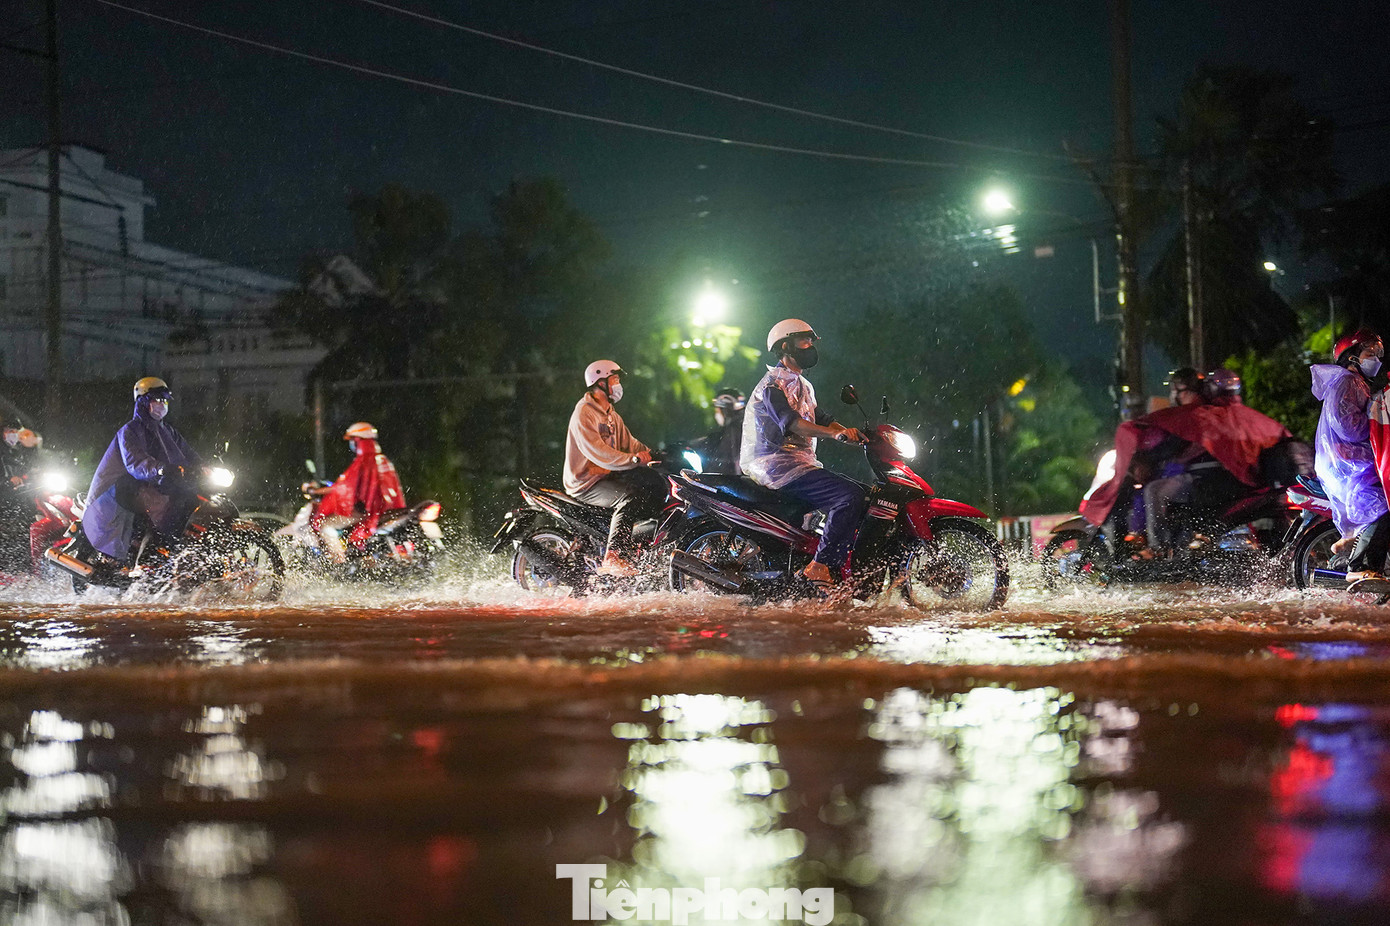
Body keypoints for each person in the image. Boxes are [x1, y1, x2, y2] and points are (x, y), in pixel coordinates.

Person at [741, 319, 866, 589]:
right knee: (848, 496)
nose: (810, 346)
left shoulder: (803, 385)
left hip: (798, 463)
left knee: (867, 496)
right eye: (804, 341)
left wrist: (853, 435)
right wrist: (834, 435)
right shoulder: (772, 386)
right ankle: (819, 567)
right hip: (776, 465)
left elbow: (822, 418)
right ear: (786, 346)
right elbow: (793, 423)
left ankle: (846, 571)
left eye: (811, 341)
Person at [81, 377, 205, 567]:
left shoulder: (168, 432)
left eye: (164, 400)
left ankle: (177, 554)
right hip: (122, 489)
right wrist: (161, 468)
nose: (162, 404)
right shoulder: (130, 430)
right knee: (164, 511)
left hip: (151, 485)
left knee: (189, 501)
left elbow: (189, 455)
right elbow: (136, 462)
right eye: (157, 399)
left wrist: (205, 468)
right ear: (143, 401)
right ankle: (147, 563)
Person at [563, 359, 667, 577]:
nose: (618, 385)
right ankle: (613, 556)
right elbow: (599, 453)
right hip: (586, 482)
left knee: (654, 486)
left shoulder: (611, 415)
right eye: (615, 379)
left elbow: (631, 444)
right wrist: (633, 460)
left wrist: (656, 455)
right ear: (600, 382)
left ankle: (640, 551)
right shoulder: (584, 413)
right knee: (629, 496)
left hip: (607, 476)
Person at [1313, 329, 1390, 582]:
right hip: (1348, 464)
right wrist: (1376, 422)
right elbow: (1348, 426)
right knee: (1383, 507)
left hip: (1356, 462)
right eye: (1370, 353)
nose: (1376, 359)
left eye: (1378, 354)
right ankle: (1359, 566)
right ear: (1352, 356)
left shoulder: (1358, 384)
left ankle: (1352, 542)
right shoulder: (1347, 381)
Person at [311, 422, 406, 563]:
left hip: (368, 512)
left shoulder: (364, 461)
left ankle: (339, 561)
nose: (351, 444)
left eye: (353, 440)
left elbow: (344, 487)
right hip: (386, 510)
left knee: (325, 525)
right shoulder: (384, 461)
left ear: (358, 441)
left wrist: (316, 491)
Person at [691, 387, 746, 475]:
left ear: (725, 411)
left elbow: (729, 462)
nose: (716, 414)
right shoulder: (744, 427)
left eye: (717, 410)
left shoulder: (733, 431)